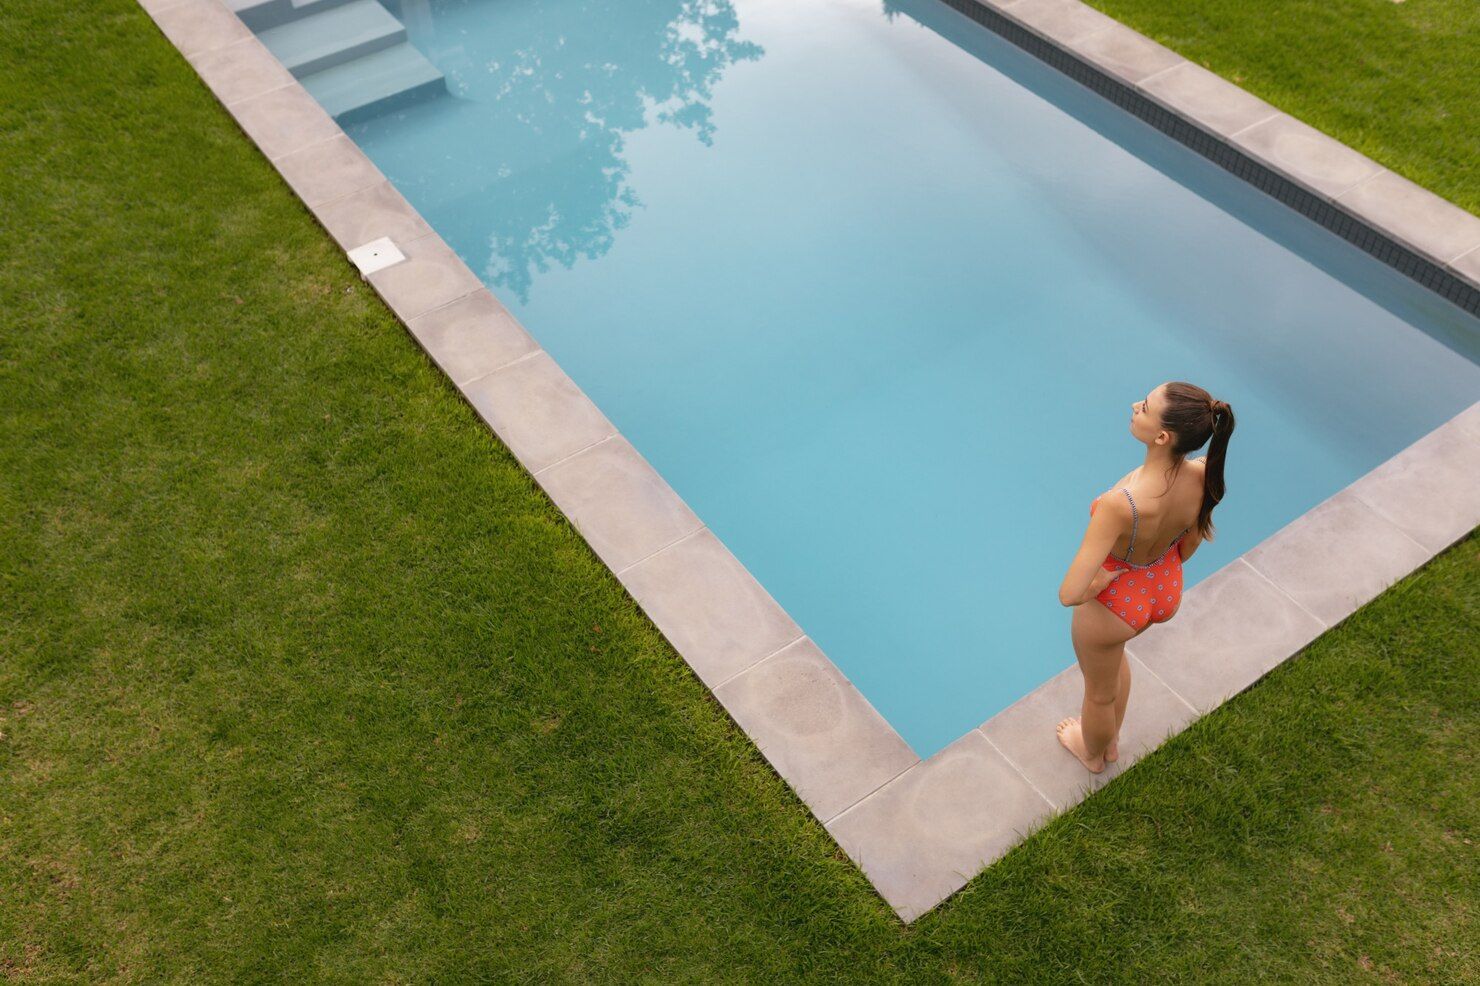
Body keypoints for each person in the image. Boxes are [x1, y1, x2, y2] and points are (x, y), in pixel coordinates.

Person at [1054, 381, 1235, 772]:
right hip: (1162, 590)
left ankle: (1092, 752)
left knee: (1098, 696)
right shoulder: (1204, 473)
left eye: (1145, 407)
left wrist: (1099, 583)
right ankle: (1112, 740)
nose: (1135, 405)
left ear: (1162, 436)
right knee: (1116, 659)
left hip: (1114, 605)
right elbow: (1189, 544)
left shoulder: (1121, 505)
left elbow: (1069, 593)